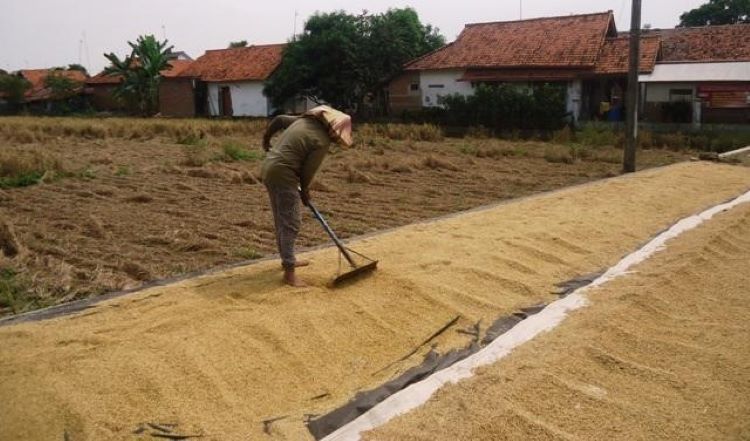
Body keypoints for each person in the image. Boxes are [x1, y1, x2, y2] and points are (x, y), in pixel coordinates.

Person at [261, 105, 353, 287]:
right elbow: (307, 172)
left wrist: (266, 140)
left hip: (269, 168)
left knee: (282, 220)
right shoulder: (321, 140)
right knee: (291, 223)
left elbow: (279, 119)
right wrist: (305, 192)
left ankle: (288, 260)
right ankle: (289, 273)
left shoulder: (302, 121)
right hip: (284, 174)